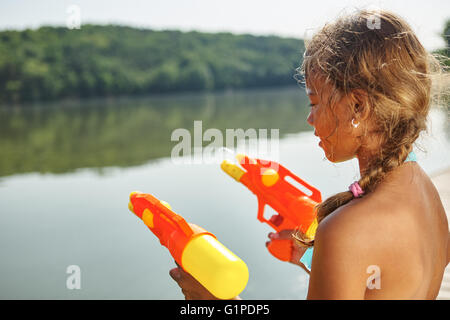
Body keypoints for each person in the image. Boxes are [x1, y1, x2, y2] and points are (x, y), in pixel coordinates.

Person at [169, 9, 450, 299]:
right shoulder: (429, 196)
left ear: (358, 108)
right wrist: (310, 258)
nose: (310, 119)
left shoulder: (345, 230)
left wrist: (217, 302)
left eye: (313, 103)